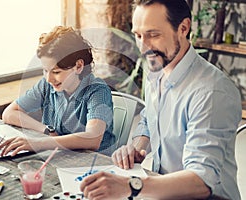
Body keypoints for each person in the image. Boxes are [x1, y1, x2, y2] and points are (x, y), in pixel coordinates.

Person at [80, 0, 242, 199]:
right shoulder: (156, 72)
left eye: (153, 35)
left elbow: (202, 180)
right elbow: (149, 121)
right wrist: (137, 148)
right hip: (163, 191)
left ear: (183, 28)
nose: (143, 47)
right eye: (138, 35)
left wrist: (132, 185)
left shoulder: (212, 92)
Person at [0, 26, 115, 156]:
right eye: (45, 70)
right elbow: (9, 113)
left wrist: (38, 143)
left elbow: (93, 138)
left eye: (56, 72)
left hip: (94, 164)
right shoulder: (46, 85)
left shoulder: (98, 91)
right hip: (61, 157)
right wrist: (47, 130)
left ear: (78, 66)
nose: (49, 78)